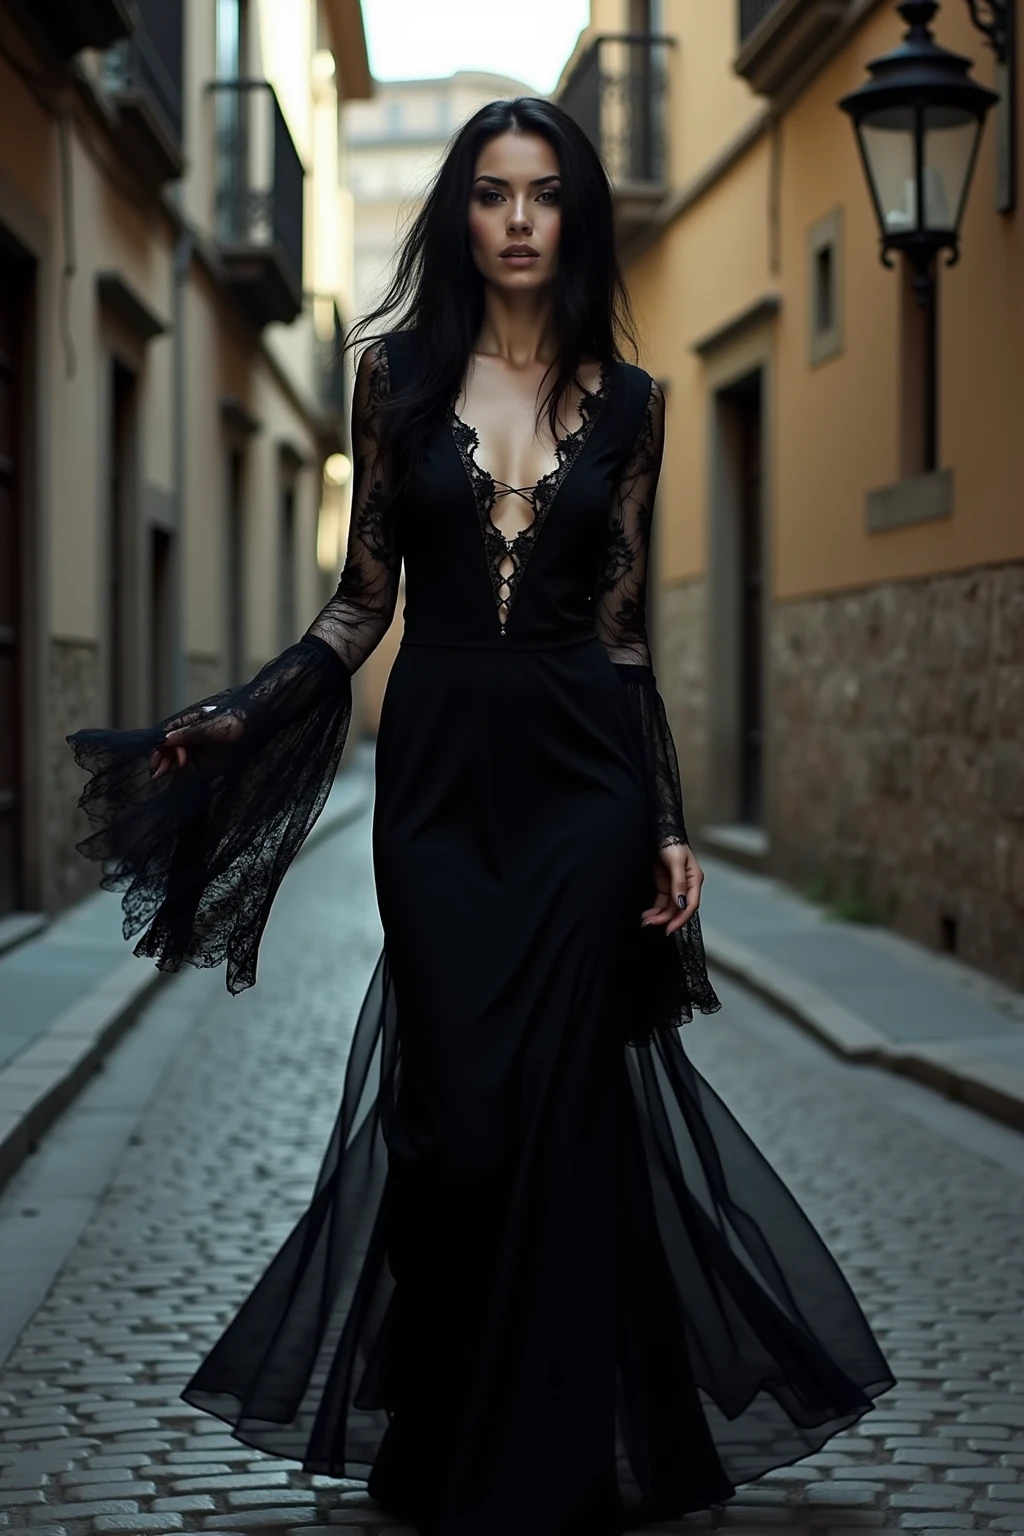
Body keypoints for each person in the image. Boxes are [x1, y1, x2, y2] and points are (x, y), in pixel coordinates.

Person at [66, 97, 895, 1536]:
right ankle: (446, 1417)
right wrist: (240, 717)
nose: (519, 218)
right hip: (439, 792)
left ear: (577, 218)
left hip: (584, 785)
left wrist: (671, 825)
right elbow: (358, 605)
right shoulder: (390, 383)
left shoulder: (634, 405)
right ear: (461, 215)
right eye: (494, 192)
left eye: (546, 193)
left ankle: (553, 1454)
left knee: (565, 1110)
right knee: (458, 1122)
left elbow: (625, 636)